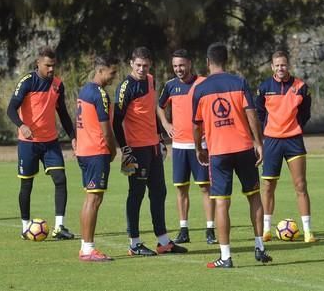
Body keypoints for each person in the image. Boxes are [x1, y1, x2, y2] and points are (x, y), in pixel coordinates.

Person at [192, 42, 271, 268]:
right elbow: (252, 114)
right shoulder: (239, 82)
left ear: (208, 62)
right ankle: (259, 247)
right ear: (226, 60)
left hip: (218, 152)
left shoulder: (200, 88)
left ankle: (226, 257)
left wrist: (199, 148)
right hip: (244, 148)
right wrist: (258, 143)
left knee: (221, 204)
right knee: (254, 195)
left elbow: (196, 125)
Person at [113, 47, 187, 256]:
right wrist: (125, 150)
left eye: (145, 66)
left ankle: (163, 241)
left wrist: (160, 138)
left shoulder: (151, 80)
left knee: (159, 192)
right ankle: (134, 243)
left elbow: (151, 111)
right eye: (138, 65)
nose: (142, 69)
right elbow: (116, 122)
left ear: (150, 64)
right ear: (131, 64)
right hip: (135, 149)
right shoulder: (125, 87)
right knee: (136, 194)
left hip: (153, 146)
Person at [6, 46, 76, 240]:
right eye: (47, 66)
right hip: (28, 143)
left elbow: (62, 113)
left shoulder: (58, 85)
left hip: (50, 142)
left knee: (60, 179)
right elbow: (11, 109)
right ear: (38, 63)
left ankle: (59, 227)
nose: (51, 69)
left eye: (53, 66)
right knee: (26, 186)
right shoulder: (28, 82)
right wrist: (22, 125)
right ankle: (25, 226)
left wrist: (73, 137)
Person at [158, 49, 216, 245]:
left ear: (190, 63)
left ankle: (210, 229)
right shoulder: (170, 86)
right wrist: (166, 125)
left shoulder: (203, 84)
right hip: (179, 146)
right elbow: (160, 106)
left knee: (205, 188)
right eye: (175, 66)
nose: (178, 69)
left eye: (181, 65)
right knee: (181, 189)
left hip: (201, 144)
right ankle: (184, 229)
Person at [256, 51, 315, 243]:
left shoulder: (301, 87)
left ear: (288, 65)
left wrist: (296, 126)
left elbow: (305, 112)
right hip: (272, 141)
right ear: (272, 67)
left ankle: (307, 231)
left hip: (294, 141)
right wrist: (268, 129)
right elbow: (259, 113)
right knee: (268, 186)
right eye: (277, 65)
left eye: (283, 65)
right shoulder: (264, 87)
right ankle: (266, 229)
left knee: (300, 185)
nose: (281, 68)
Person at [75, 54, 119, 261]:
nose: (114, 76)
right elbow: (106, 129)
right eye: (112, 72)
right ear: (101, 70)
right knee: (94, 200)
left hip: (84, 151)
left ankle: (85, 246)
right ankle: (88, 249)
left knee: (90, 199)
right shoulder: (99, 94)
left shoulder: (84, 90)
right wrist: (112, 150)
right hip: (96, 152)